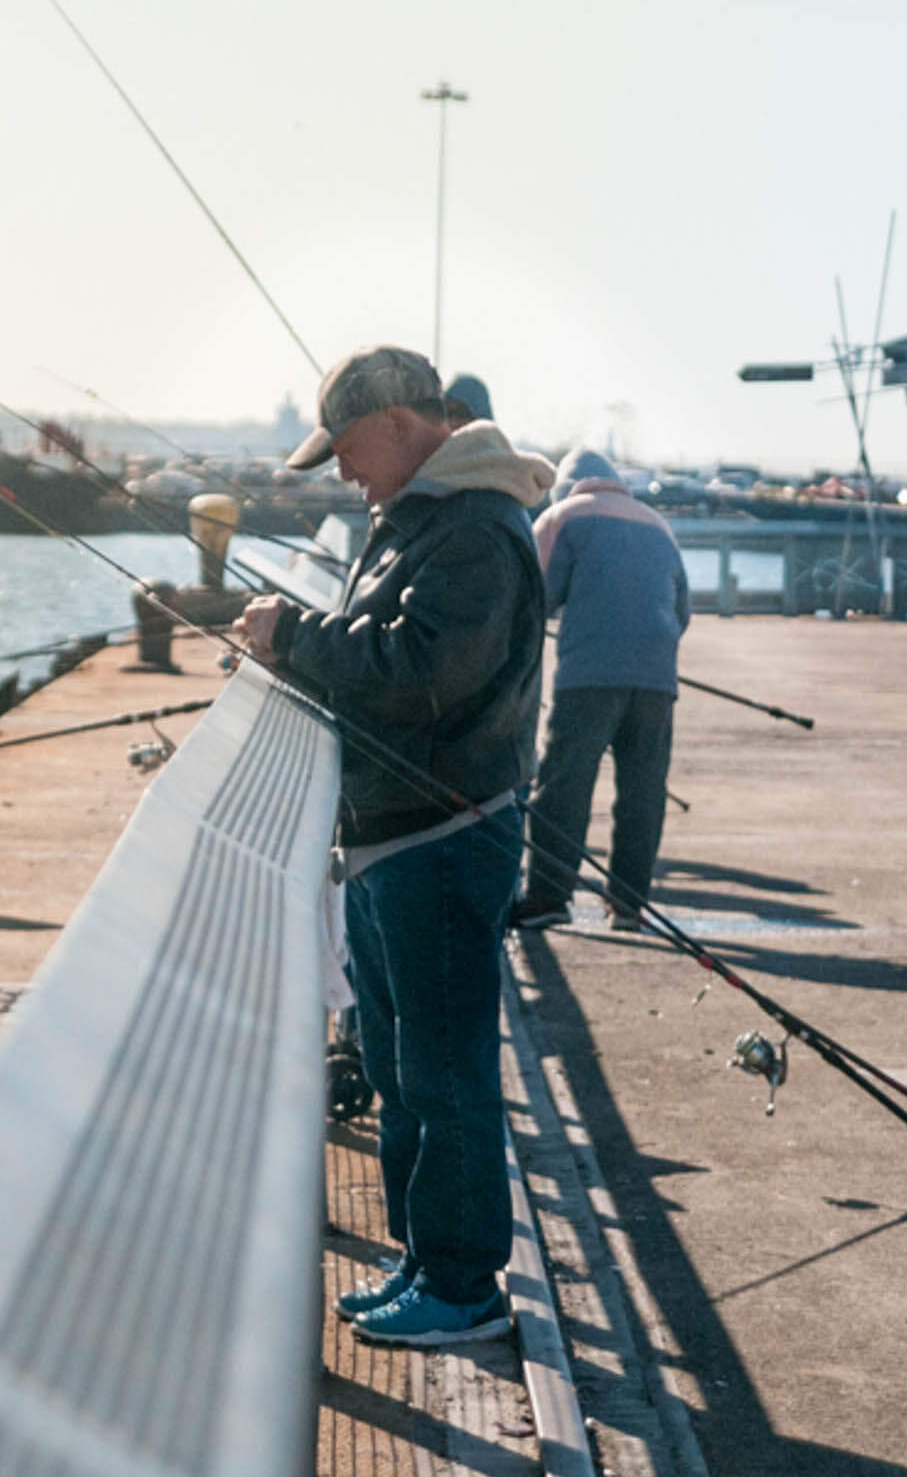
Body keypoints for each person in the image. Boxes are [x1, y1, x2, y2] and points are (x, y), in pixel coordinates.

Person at [237, 344, 553, 1347]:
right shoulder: (420, 518)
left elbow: (422, 670)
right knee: (396, 1058)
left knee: (443, 1066)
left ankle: (463, 1286)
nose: (339, 475)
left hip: (443, 835)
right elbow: (388, 650)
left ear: (389, 425)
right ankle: (424, 1257)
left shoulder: (472, 529)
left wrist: (292, 638)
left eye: (343, 451)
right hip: (391, 836)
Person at [509, 448, 690, 933]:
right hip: (657, 677)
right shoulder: (658, 524)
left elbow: (531, 599)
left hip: (589, 675)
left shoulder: (563, 516)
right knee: (643, 791)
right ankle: (629, 904)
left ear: (568, 485)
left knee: (565, 784)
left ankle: (548, 895)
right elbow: (682, 610)